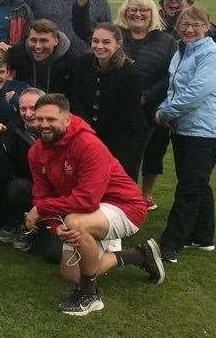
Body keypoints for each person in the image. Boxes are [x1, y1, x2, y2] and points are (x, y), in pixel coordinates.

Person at [25, 94, 164, 316]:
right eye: (39, 119)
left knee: (75, 222)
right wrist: (53, 226)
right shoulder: (36, 152)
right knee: (72, 275)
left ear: (67, 118)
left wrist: (41, 210)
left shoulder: (88, 144)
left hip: (125, 208)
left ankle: (90, 296)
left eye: (51, 119)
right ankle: (139, 255)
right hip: (89, 212)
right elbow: (42, 194)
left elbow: (86, 200)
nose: (43, 125)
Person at [155, 6, 216, 264]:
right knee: (197, 182)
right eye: (185, 24)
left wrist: (164, 111)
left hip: (205, 132)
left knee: (188, 188)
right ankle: (203, 236)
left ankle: (171, 243)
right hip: (183, 129)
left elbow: (196, 92)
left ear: (207, 27)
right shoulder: (181, 50)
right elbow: (175, 86)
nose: (189, 29)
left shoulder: (212, 54)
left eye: (196, 24)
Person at [106, 0, 178, 207]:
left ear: (152, 13)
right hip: (120, 108)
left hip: (154, 109)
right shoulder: (117, 37)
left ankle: (145, 196)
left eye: (143, 10)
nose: (137, 14)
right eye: (132, 10)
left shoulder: (167, 40)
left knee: (154, 153)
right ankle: (121, 195)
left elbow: (170, 75)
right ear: (125, 13)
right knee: (121, 154)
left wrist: (148, 96)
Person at [71, 24, 146, 181]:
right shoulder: (83, 63)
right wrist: (87, 131)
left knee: (118, 180)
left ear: (118, 44)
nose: (99, 46)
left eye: (106, 42)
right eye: (95, 41)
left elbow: (127, 114)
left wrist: (100, 140)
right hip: (88, 133)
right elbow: (76, 98)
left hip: (123, 139)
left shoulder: (130, 72)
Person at [0, 87, 43, 243]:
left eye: (33, 108)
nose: (28, 113)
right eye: (23, 108)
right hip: (30, 187)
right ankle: (21, 221)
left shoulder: (57, 128)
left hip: (59, 190)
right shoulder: (14, 127)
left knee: (52, 252)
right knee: (14, 185)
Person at [5, 19, 76, 97]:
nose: (37, 46)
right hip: (26, 106)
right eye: (33, 40)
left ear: (56, 41)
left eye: (44, 41)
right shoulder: (18, 53)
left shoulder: (71, 61)